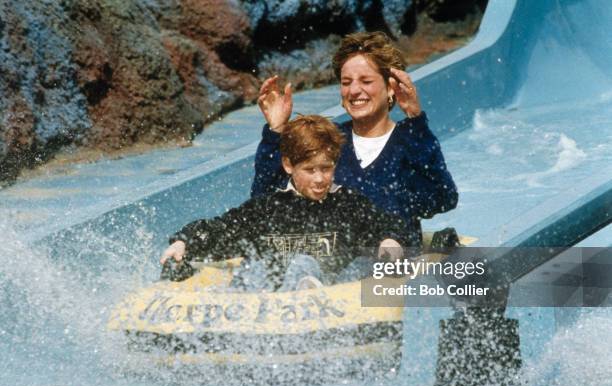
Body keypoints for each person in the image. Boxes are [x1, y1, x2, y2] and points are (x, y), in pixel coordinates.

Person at [161, 115, 412, 291]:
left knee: (307, 263)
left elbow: (389, 224)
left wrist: (390, 239)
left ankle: (305, 290)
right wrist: (184, 240)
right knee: (253, 268)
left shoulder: (348, 205)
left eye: (326, 168)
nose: (320, 179)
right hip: (270, 308)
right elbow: (220, 228)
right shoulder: (269, 208)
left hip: (330, 302)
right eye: (310, 170)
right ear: (289, 165)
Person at [253, 31, 458, 246]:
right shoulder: (326, 140)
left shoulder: (410, 141)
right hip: (332, 263)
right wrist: (275, 131)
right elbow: (265, 201)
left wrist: (416, 121)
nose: (354, 90)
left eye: (366, 81)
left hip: (390, 267)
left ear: (390, 88)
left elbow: (443, 199)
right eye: (346, 82)